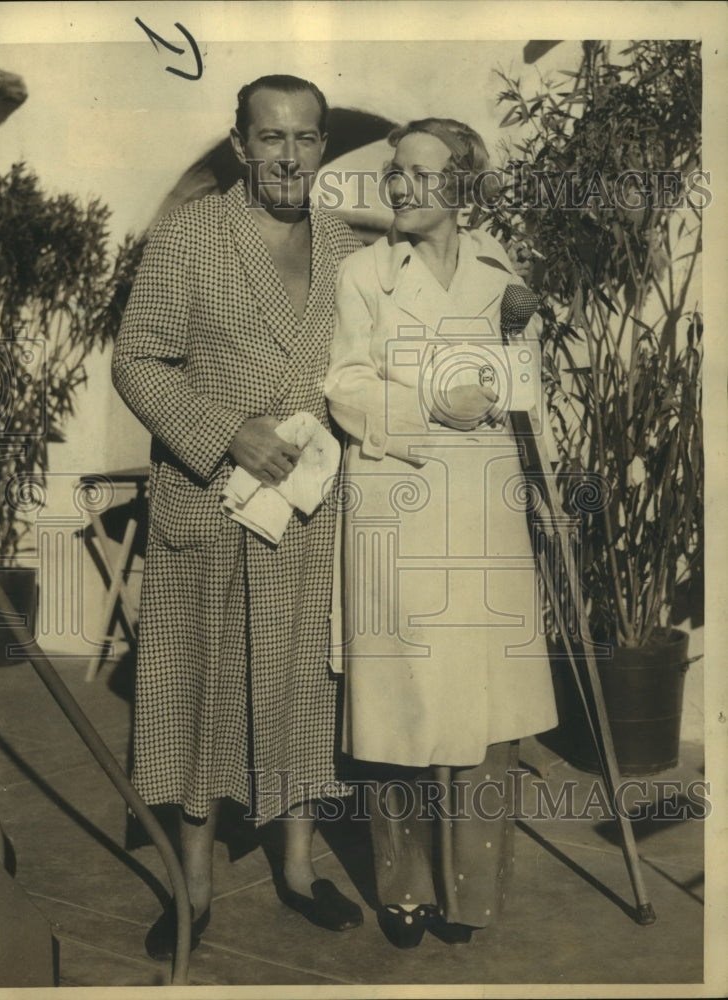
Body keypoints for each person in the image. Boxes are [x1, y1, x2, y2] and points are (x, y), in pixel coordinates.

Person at [112, 74, 365, 958]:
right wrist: (227, 432)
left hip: (306, 519)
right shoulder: (193, 234)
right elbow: (138, 361)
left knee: (301, 690)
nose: (288, 155)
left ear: (323, 148)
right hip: (208, 509)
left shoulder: (345, 246)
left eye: (304, 138)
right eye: (270, 137)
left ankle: (296, 872)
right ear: (240, 144)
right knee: (197, 694)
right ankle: (194, 886)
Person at [324, 118, 558, 948]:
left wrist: (516, 375)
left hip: (486, 502)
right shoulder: (362, 272)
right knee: (402, 705)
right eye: (394, 171)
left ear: (461, 185)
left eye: (420, 173)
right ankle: (405, 888)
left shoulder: (501, 273)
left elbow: (526, 385)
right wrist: (430, 399)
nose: (399, 185)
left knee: (484, 706)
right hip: (398, 498)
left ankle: (470, 895)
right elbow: (344, 384)